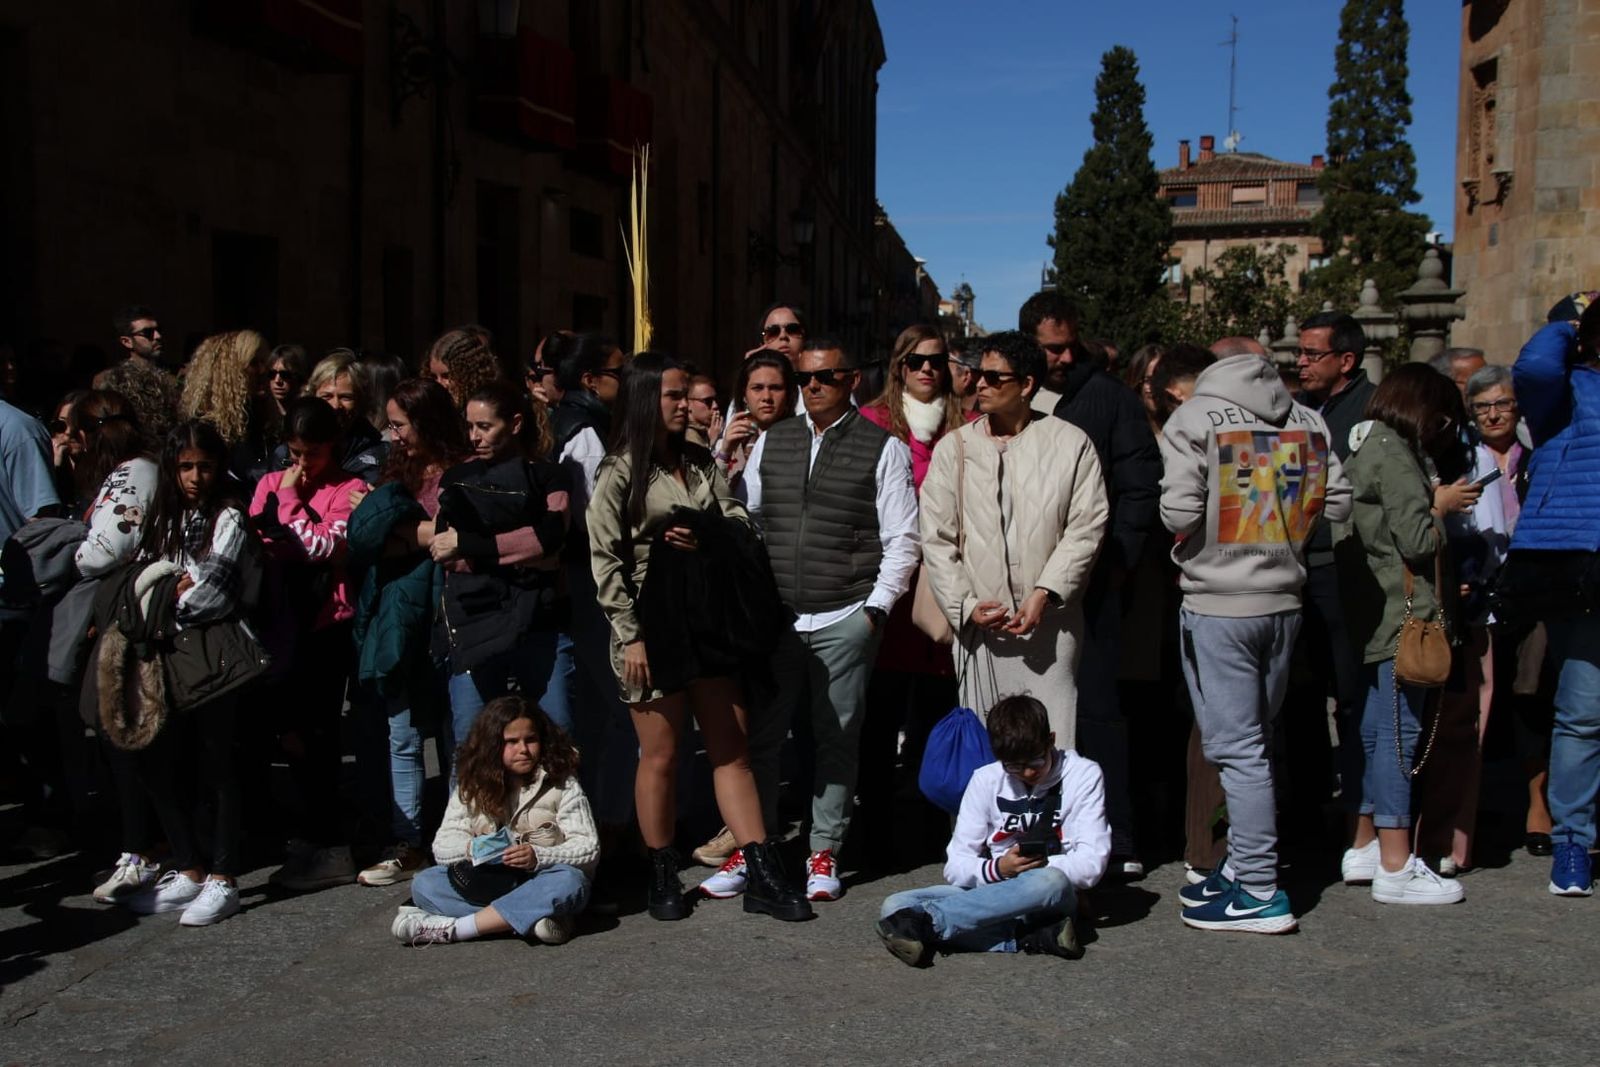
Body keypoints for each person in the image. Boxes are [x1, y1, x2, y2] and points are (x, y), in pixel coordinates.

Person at [588, 353, 811, 922]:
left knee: (731, 750)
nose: (686, 405)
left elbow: (738, 521)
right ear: (646, 400)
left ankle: (761, 871)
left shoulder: (698, 461)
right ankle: (662, 871)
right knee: (661, 756)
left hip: (708, 622)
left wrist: (707, 530)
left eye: (687, 393)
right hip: (650, 626)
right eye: (674, 395)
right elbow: (605, 561)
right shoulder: (619, 471)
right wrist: (630, 636)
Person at [1161, 339, 1351, 932]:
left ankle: (1259, 887)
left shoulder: (1195, 416)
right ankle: (1244, 866)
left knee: (1238, 749)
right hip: (1284, 598)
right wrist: (1285, 529)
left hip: (1221, 601)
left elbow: (1178, 514)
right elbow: (1339, 502)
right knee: (1257, 741)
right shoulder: (1309, 419)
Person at [735, 338, 917, 903]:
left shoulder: (883, 448)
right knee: (762, 738)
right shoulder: (774, 440)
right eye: (804, 378)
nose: (812, 386)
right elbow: (751, 516)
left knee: (837, 739)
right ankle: (756, 846)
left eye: (825, 377)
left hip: (846, 615)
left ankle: (824, 850)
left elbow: (903, 538)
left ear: (851, 380)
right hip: (780, 619)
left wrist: (874, 611)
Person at [1018, 291, 1160, 877]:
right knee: (1030, 710)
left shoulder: (1110, 399)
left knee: (1099, 710)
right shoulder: (1011, 398)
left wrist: (1120, 560)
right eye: (1052, 348)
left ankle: (1114, 833)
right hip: (1021, 585)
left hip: (1094, 583)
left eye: (1070, 345)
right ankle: (1030, 831)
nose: (1064, 357)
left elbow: (1139, 484)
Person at [920, 330, 1107, 743]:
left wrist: (1045, 593)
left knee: (1051, 741)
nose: (980, 384)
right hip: (981, 628)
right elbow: (935, 537)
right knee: (985, 747)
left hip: (1051, 628)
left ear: (1026, 384)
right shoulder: (955, 448)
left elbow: (1086, 528)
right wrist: (967, 605)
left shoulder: (1071, 444)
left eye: (994, 377)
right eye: (978, 374)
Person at [1335, 364, 1467, 906]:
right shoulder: (1393, 451)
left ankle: (1365, 845)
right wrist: (1441, 509)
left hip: (1374, 611)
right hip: (1402, 613)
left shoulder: (1365, 446)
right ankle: (1395, 863)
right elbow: (1415, 539)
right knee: (1398, 733)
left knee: (1373, 731)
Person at [116, 421, 254, 926]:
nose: (196, 477)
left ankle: (224, 877)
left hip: (211, 657)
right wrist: (166, 589)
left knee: (217, 764)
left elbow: (213, 591)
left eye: (206, 467)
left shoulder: (228, 515)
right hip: (162, 654)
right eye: (186, 467)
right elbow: (137, 574)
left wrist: (167, 596)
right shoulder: (164, 515)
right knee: (159, 762)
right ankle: (189, 866)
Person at [874, 695, 1108, 966]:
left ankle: (930, 925)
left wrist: (1030, 870)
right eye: (1014, 766)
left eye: (1035, 762)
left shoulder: (1083, 774)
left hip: (1048, 895)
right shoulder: (985, 780)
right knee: (895, 907)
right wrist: (999, 869)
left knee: (1049, 881)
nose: (1027, 773)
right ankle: (1033, 937)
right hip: (994, 889)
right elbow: (955, 866)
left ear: (1051, 740)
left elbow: (1091, 865)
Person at [854, 325, 972, 860]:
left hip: (942, 589)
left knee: (936, 712)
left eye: (937, 361)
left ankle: (930, 825)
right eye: (916, 360)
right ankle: (874, 827)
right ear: (899, 365)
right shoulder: (872, 422)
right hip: (888, 591)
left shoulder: (965, 425)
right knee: (878, 715)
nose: (927, 369)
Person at [348, 378, 470, 888]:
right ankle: (409, 841)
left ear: (426, 422)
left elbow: (465, 537)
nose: (392, 435)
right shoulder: (395, 471)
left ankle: (459, 840)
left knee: (457, 732)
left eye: (400, 425)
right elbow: (380, 535)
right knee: (403, 734)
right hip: (402, 616)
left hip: (453, 613)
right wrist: (426, 534)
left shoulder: (463, 470)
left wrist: (414, 536)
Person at [250, 398, 367, 892]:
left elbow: (322, 546)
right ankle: (300, 827)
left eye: (312, 454)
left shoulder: (351, 489)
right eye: (294, 453)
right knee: (285, 730)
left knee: (319, 732)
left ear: (331, 446)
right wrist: (287, 518)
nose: (301, 464)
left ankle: (328, 836)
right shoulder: (269, 483)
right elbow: (257, 538)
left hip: (325, 625)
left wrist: (290, 503)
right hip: (275, 622)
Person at [1507, 299, 1600, 896]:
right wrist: (1569, 326)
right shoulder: (1565, 391)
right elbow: (1534, 367)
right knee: (1583, 711)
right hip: (1582, 563)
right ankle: (1572, 842)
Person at [1416, 363, 1521, 876]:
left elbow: (1492, 536)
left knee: (1453, 728)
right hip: (1439, 608)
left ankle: (1442, 842)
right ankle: (1435, 841)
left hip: (1466, 609)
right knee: (1447, 729)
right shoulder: (1436, 454)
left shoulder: (1470, 456)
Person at [392, 697, 597, 946]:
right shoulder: (472, 784)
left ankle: (458, 929)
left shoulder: (562, 782)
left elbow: (588, 846)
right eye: (511, 742)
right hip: (487, 883)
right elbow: (443, 845)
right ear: (492, 745)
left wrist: (538, 856)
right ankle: (531, 919)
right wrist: (472, 849)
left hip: (540, 880)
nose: (523, 749)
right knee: (425, 883)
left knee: (570, 882)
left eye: (530, 740)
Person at [433, 379, 569, 752]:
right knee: (473, 743)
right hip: (475, 619)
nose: (474, 436)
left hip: (538, 620)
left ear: (515, 424)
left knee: (557, 734)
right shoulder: (456, 479)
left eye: (485, 426)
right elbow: (446, 551)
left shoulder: (549, 476)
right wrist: (521, 550)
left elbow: (550, 541)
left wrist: (471, 543)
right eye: (470, 426)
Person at [71, 391, 162, 904]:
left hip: (130, 617)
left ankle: (139, 850)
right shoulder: (141, 469)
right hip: (128, 610)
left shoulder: (131, 475)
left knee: (120, 727)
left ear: (89, 435)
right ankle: (142, 844)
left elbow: (102, 551)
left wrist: (74, 548)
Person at [1293, 313, 1381, 837]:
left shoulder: (1372, 410)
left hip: (1345, 567)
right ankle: (1308, 805)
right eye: (1299, 353)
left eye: (1312, 354)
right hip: (1300, 568)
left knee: (1351, 692)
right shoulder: (1298, 411)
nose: (1300, 363)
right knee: (1301, 693)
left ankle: (1359, 812)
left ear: (1346, 360)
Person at [179, 330, 272, 490]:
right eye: (254, 363)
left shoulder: (261, 422)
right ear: (231, 372)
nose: (263, 370)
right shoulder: (206, 431)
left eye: (264, 362)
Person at [713, 351, 796, 492]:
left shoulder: (802, 439)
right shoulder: (731, 443)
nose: (766, 397)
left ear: (788, 394)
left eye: (775, 388)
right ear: (744, 395)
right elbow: (709, 494)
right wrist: (725, 452)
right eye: (757, 388)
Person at [302, 350, 388, 484]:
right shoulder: (292, 449)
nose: (335, 405)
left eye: (346, 397)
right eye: (327, 396)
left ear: (360, 401)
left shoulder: (379, 454)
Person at [426, 326, 500, 409]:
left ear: (468, 373)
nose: (439, 383)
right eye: (434, 377)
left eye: (447, 376)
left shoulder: (493, 408)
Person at [265, 345, 309, 423]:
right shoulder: (261, 412)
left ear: (298, 377)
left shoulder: (308, 414)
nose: (277, 380)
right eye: (272, 374)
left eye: (285, 375)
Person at [685, 374, 722, 449]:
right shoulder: (688, 437)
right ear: (688, 404)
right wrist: (713, 442)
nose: (715, 406)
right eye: (707, 401)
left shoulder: (705, 432)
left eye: (715, 400)